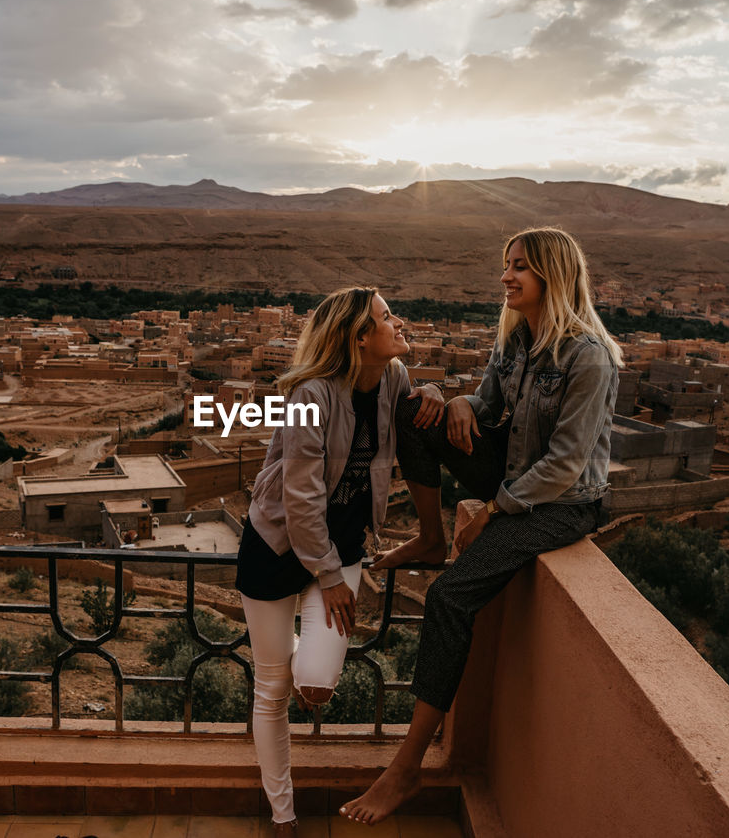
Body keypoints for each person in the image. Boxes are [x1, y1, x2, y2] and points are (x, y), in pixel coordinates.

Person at [341, 226, 623, 825]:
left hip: (561, 503)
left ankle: (407, 766)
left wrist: (496, 509)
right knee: (416, 411)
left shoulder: (587, 357)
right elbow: (488, 405)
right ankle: (429, 535)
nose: (506, 276)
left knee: (448, 597)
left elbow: (567, 464)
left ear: (554, 273)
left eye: (520, 266)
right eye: (506, 265)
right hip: (512, 477)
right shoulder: (517, 341)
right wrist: (459, 399)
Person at [235, 287, 444, 837]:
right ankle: (282, 813)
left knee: (318, 682)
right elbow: (301, 500)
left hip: (343, 546)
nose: (398, 322)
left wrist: (436, 392)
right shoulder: (311, 394)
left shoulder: (393, 379)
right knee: (273, 689)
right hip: (277, 546)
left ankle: (302, 647)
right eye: (385, 317)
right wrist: (328, 579)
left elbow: (415, 414)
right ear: (357, 338)